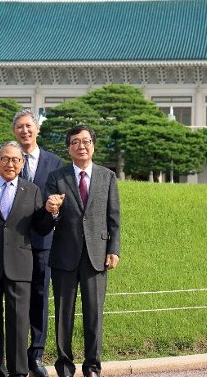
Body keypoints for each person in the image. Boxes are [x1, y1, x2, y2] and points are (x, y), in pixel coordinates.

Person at [0, 141, 54, 377]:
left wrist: (50, 213)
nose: (10, 164)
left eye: (15, 160)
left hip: (20, 264)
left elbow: (41, 228)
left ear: (22, 163)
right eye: (5, 159)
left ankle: (19, 371)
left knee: (18, 322)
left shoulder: (32, 190)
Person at [44, 126, 121, 377]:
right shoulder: (57, 177)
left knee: (94, 314)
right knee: (63, 314)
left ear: (93, 146)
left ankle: (92, 366)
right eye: (75, 142)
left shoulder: (107, 176)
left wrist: (114, 249)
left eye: (86, 141)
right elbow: (48, 219)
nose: (81, 146)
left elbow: (114, 217)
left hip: (97, 255)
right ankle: (64, 366)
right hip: (64, 255)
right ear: (68, 148)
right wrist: (52, 210)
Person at [12, 108, 63, 377]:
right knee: (15, 297)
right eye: (19, 127)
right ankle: (17, 353)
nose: (25, 131)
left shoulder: (54, 162)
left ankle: (36, 353)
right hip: (13, 241)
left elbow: (60, 199)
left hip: (43, 239)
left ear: (37, 129)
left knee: (40, 297)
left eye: (29, 126)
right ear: (14, 132)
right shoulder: (8, 159)